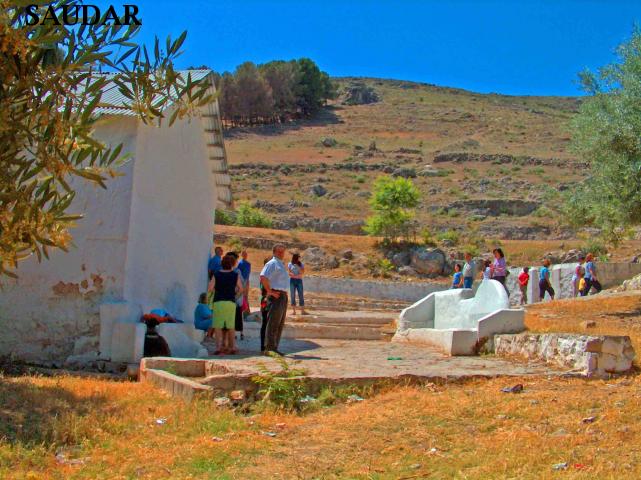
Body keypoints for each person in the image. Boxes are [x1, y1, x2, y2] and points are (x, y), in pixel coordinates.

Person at [208, 254, 243, 355]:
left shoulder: (217, 274)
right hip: (230, 301)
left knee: (218, 325)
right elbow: (241, 288)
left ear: (222, 264)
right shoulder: (235, 275)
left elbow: (210, 288)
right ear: (231, 264)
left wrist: (217, 290)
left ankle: (218, 347)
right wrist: (235, 295)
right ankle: (232, 347)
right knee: (230, 326)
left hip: (218, 301)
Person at [260, 244, 289, 356]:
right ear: (274, 252)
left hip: (282, 295)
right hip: (276, 295)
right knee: (273, 322)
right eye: (279, 252)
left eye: (283, 251)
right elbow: (263, 277)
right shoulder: (272, 263)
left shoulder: (280, 264)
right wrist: (270, 291)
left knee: (279, 323)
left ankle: (274, 347)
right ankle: (270, 348)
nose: (281, 253)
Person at [226, 251, 245, 340]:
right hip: (234, 297)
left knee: (235, 316)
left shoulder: (237, 271)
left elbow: (241, 285)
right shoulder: (235, 271)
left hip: (235, 298)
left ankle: (237, 334)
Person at [259, 258, 270, 352]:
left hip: (264, 300)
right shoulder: (266, 275)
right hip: (267, 300)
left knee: (265, 323)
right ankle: (265, 345)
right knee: (266, 323)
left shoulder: (263, 274)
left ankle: (264, 345)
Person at [237, 250, 252, 319]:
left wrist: (247, 282)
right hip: (242, 282)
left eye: (246, 254)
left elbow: (248, 274)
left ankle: (247, 312)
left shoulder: (248, 264)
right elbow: (239, 274)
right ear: (242, 255)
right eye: (244, 254)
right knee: (242, 296)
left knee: (246, 296)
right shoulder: (240, 263)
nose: (245, 255)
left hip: (246, 281)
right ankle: (243, 312)